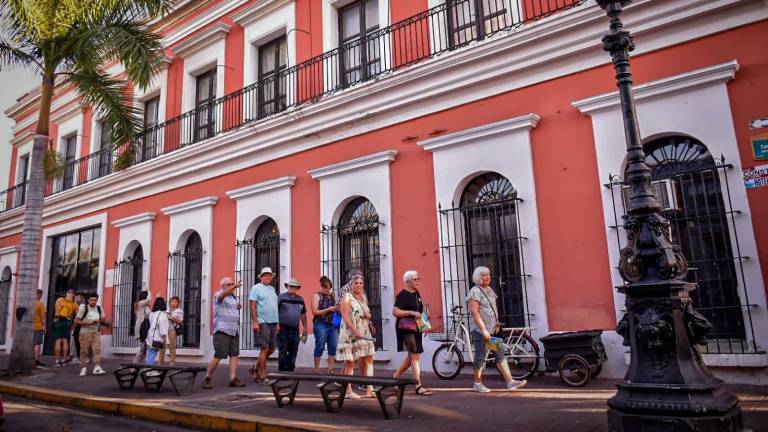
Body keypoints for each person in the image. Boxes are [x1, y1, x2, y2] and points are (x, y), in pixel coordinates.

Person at [467, 266, 526, 392]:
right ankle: (477, 383)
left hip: (493, 330)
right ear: (478, 277)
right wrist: (483, 330)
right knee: (480, 357)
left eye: (488, 274)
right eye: (484, 275)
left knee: (500, 355)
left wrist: (495, 323)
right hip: (481, 331)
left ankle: (510, 381)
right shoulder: (474, 292)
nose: (487, 277)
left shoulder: (489, 290)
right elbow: (475, 313)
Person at [392, 270, 432, 395]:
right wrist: (410, 312)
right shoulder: (402, 295)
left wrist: (424, 325)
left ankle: (395, 377)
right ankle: (418, 385)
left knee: (412, 357)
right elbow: (395, 312)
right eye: (415, 279)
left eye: (418, 278)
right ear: (407, 281)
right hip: (406, 328)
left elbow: (419, 312)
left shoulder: (416, 294)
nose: (418, 281)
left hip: (416, 328)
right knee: (415, 356)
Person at [336, 274, 375, 399]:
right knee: (350, 362)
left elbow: (366, 313)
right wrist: (354, 330)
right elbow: (345, 316)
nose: (358, 285)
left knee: (369, 358)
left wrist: (371, 322)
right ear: (351, 285)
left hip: (364, 331)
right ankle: (348, 391)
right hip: (350, 333)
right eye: (356, 283)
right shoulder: (347, 297)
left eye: (360, 283)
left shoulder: (363, 298)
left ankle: (370, 388)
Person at [203, 277, 246, 389]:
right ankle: (207, 377)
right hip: (222, 330)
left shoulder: (233, 297)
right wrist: (234, 286)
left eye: (233, 284)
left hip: (233, 330)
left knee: (234, 354)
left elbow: (234, 308)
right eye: (230, 284)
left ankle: (233, 378)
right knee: (219, 355)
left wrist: (238, 306)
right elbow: (222, 296)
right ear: (223, 286)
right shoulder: (218, 294)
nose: (233, 286)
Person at [249, 267, 279, 384]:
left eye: (269, 275)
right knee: (264, 349)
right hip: (262, 322)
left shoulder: (272, 289)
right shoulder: (256, 288)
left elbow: (274, 306)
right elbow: (252, 305)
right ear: (261, 277)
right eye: (265, 275)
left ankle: (256, 367)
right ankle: (262, 375)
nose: (267, 277)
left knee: (271, 349)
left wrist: (277, 322)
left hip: (272, 322)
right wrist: (255, 322)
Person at [277, 278, 307, 372]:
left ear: (297, 288)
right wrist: (276, 324)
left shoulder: (300, 299)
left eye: (294, 286)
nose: (292, 288)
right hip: (283, 328)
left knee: (294, 349)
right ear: (287, 286)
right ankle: (282, 370)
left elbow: (303, 314)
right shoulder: (281, 297)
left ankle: (290, 369)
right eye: (291, 286)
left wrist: (305, 328)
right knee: (283, 349)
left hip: (295, 329)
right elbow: (274, 311)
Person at [74, 293, 108, 376]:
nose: (93, 302)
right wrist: (87, 322)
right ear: (88, 300)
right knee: (84, 351)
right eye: (92, 300)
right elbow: (77, 320)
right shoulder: (84, 309)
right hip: (85, 332)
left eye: (95, 300)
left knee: (96, 350)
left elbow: (103, 319)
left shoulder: (99, 308)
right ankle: (83, 368)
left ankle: (97, 367)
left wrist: (99, 320)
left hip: (96, 331)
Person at [311, 276, 338, 374]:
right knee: (320, 345)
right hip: (320, 324)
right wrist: (328, 309)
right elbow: (315, 312)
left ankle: (330, 368)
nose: (328, 290)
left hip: (332, 325)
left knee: (333, 346)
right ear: (322, 287)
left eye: (329, 287)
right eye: (326, 287)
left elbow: (335, 307)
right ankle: (317, 368)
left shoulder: (332, 296)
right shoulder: (317, 296)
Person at [53, 289, 77, 367]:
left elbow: (56, 309)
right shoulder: (74, 303)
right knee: (66, 340)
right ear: (73, 295)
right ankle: (64, 359)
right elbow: (78, 314)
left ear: (67, 293)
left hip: (58, 321)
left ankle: (57, 361)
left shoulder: (60, 300)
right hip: (67, 321)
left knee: (58, 340)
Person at [160, 296, 184, 366]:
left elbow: (180, 322)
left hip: (172, 330)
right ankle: (160, 362)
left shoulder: (179, 311)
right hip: (164, 330)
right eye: (172, 301)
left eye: (175, 301)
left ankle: (172, 363)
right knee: (162, 346)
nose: (173, 303)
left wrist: (173, 318)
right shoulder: (167, 310)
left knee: (172, 346)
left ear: (178, 303)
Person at [145, 297, 169, 366]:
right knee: (152, 353)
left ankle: (147, 368)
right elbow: (162, 328)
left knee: (150, 352)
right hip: (157, 338)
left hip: (150, 336)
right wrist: (164, 338)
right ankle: (148, 370)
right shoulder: (162, 315)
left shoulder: (152, 314)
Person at [133, 290, 152, 364]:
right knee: (142, 348)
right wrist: (149, 291)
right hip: (142, 327)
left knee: (145, 348)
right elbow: (149, 299)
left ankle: (142, 365)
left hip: (147, 326)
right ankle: (135, 364)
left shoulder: (146, 306)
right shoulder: (140, 304)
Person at [33, 289, 46, 368]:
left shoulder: (29, 303)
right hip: (38, 326)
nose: (41, 296)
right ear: (39, 295)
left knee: (31, 344)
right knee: (37, 344)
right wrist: (45, 326)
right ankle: (36, 360)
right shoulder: (40, 304)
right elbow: (43, 317)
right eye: (40, 294)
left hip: (29, 327)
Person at [71, 294, 85, 363]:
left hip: (79, 327)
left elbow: (77, 318)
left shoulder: (79, 308)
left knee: (78, 342)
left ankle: (80, 358)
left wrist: (74, 325)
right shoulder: (86, 307)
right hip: (84, 327)